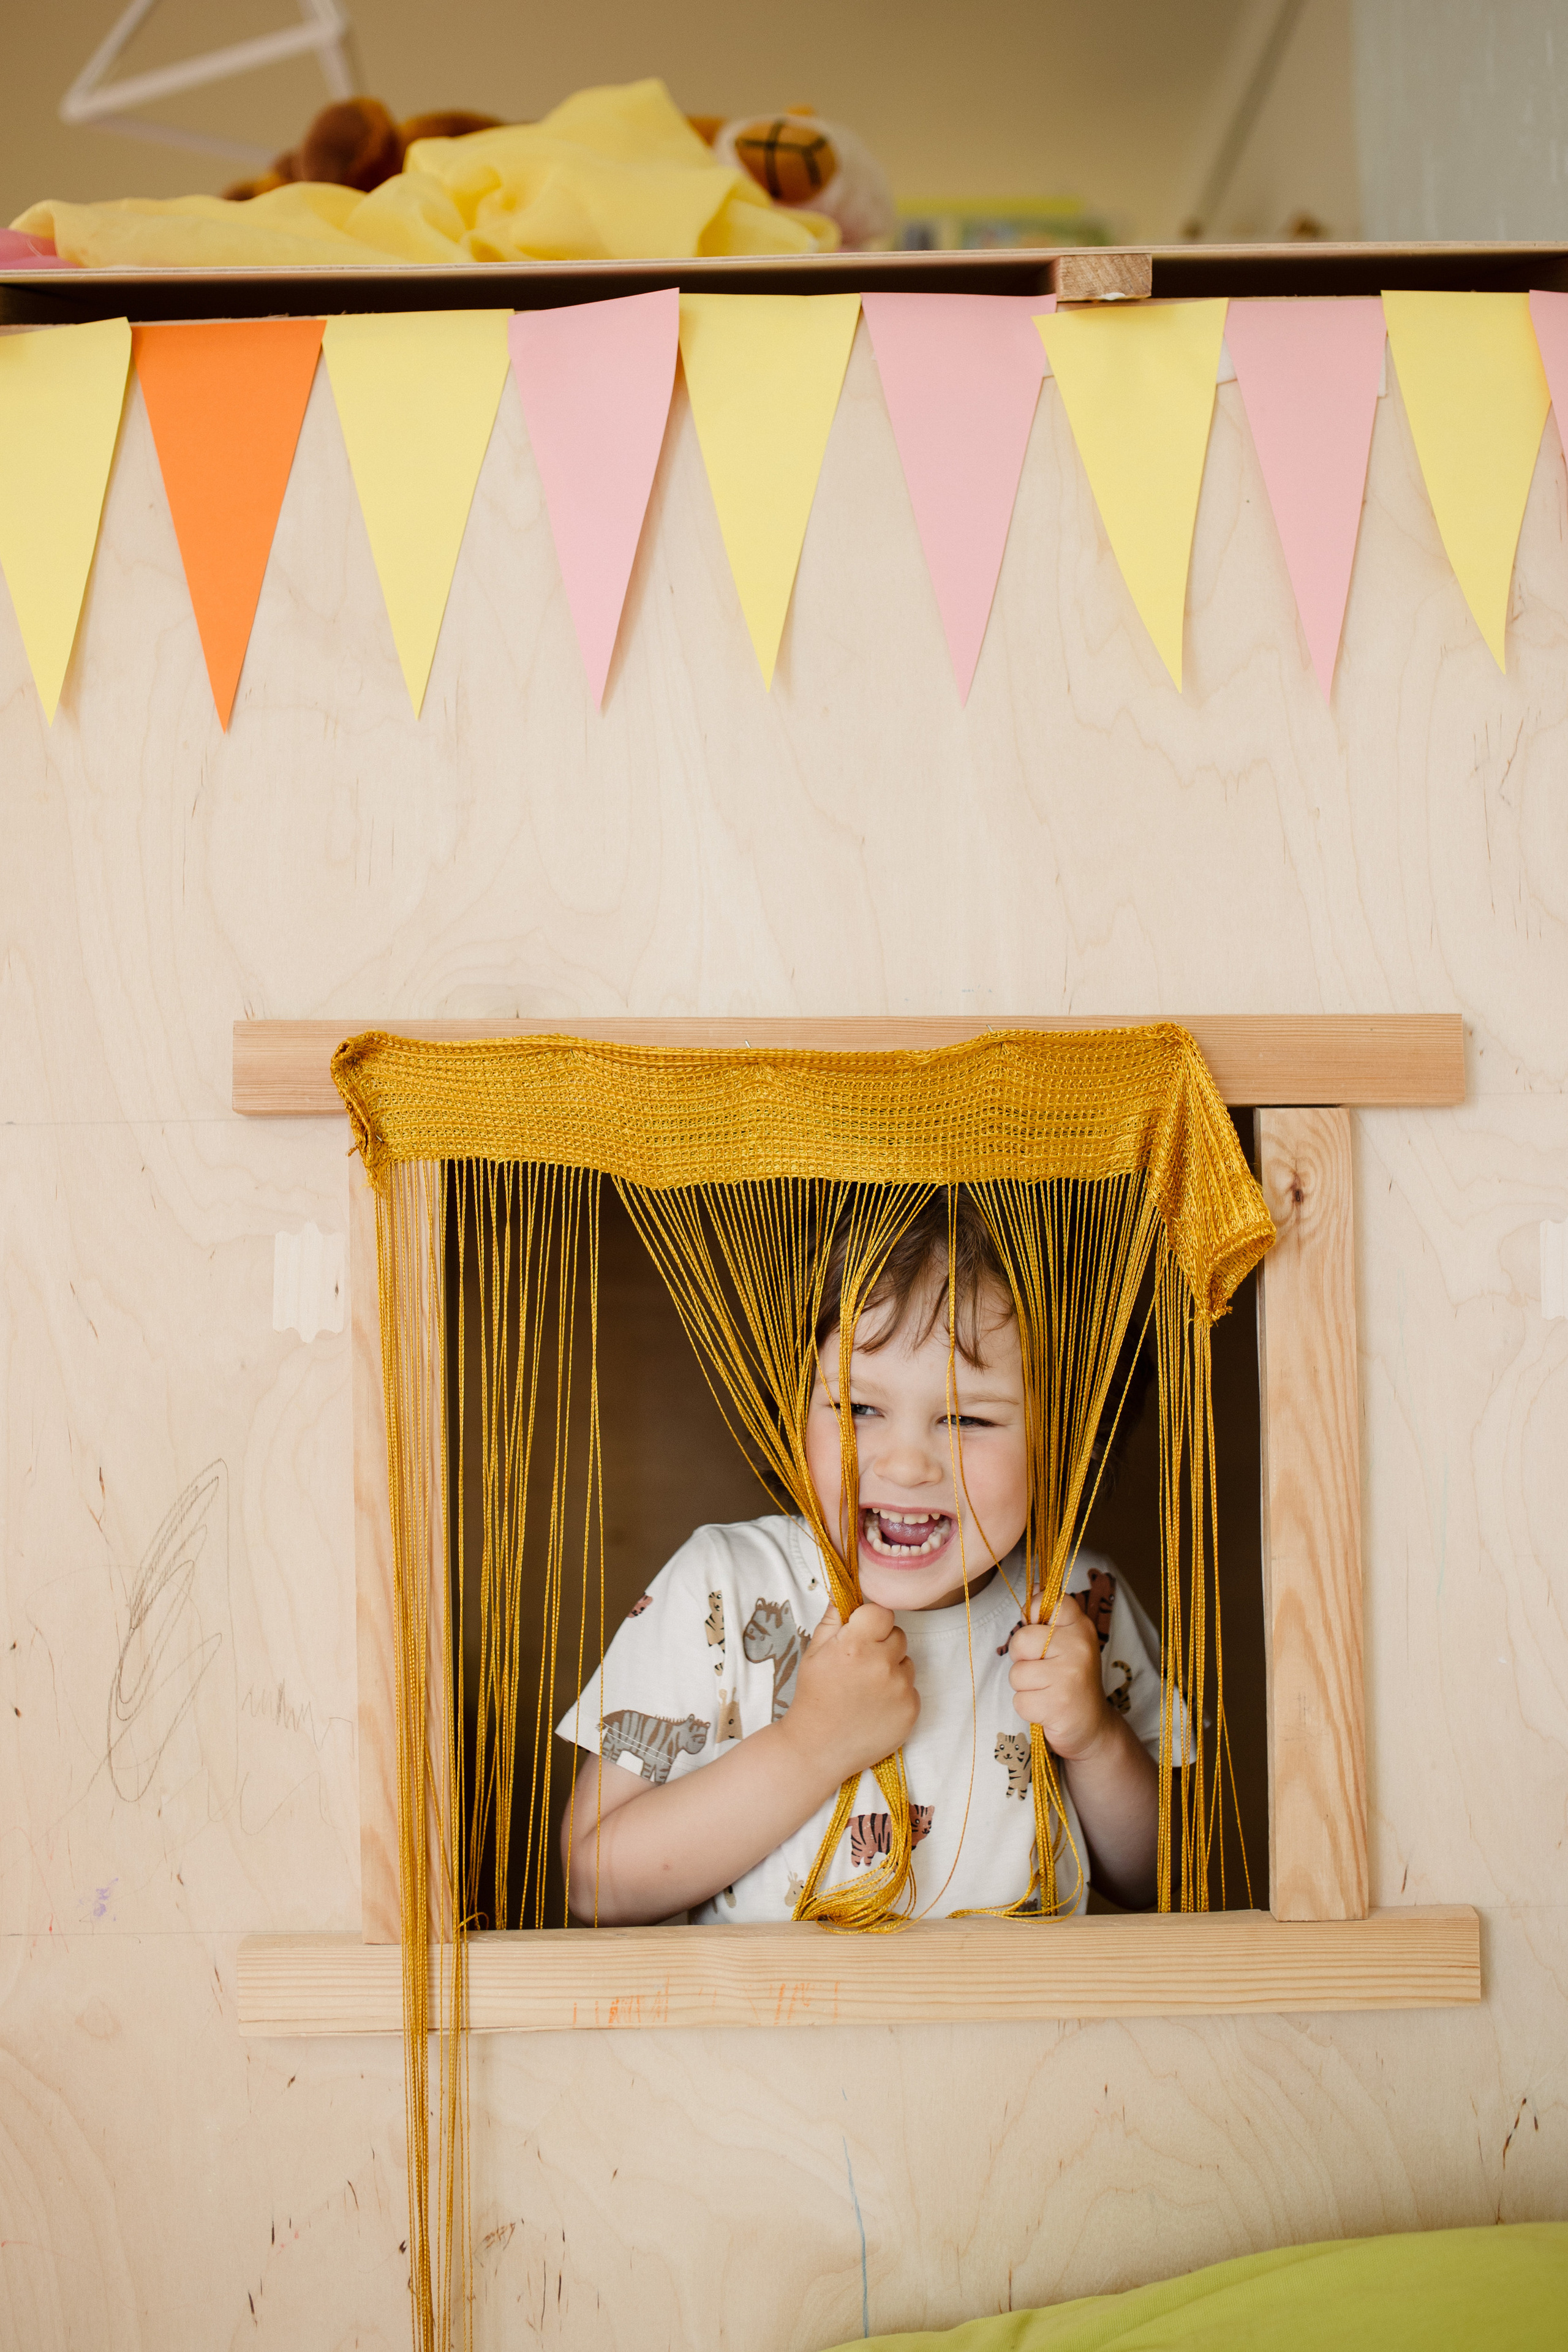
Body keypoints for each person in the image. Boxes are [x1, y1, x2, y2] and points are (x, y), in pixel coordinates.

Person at [556, 1194, 1167, 1925]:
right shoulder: (722, 1584)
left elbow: (1157, 1881)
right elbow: (595, 1887)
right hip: (763, 2037)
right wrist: (809, 1748)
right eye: (857, 1409)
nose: (906, 1464)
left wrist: (1095, 1739)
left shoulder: (1078, 1600)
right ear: (792, 1407)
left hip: (1021, 2036)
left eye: (967, 1418)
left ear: (1066, 1437)